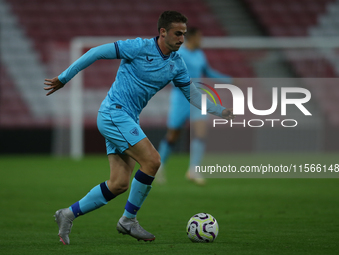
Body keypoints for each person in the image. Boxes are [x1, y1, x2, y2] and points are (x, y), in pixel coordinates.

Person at [44, 11, 233, 245]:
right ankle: (128, 220)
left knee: (119, 183)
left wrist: (219, 110)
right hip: (115, 112)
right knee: (152, 161)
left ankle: (67, 214)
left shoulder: (177, 64)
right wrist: (63, 78)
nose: (182, 39)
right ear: (162, 32)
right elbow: (95, 52)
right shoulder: (137, 47)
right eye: (177, 33)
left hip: (127, 118)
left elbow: (192, 94)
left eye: (184, 34)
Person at [157, 27, 232, 185]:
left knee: (200, 132)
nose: (201, 41)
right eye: (199, 37)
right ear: (191, 38)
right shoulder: (179, 54)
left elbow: (209, 72)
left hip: (197, 99)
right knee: (173, 135)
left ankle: (194, 170)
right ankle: (159, 166)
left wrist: (229, 80)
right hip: (180, 98)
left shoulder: (200, 54)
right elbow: (169, 73)